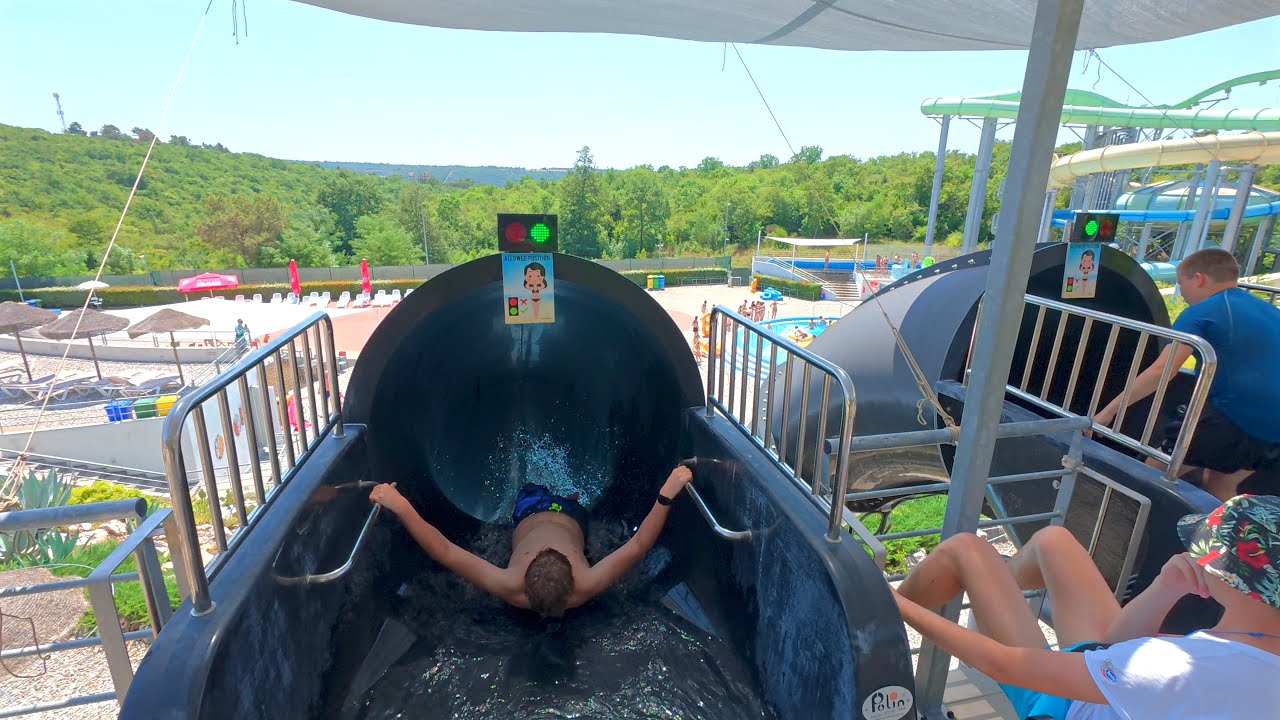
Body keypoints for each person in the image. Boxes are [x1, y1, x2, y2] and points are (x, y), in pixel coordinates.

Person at [892, 494, 1280, 719]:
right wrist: (1167, 587)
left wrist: (895, 605)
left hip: (1062, 707)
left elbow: (1003, 664)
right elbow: (1115, 645)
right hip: (1108, 681)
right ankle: (988, 594)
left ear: (1229, 572)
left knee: (966, 549)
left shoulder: (1179, 664)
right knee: (1053, 541)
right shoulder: (1252, 648)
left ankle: (872, 621)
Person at [369, 465, 694, 619]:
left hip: (528, 513)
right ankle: (566, 498)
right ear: (572, 579)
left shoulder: (507, 583)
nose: (544, 549)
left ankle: (537, 491)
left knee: (528, 489)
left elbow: (444, 551)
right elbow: (638, 546)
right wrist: (666, 494)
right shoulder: (589, 581)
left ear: (524, 581)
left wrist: (400, 505)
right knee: (570, 501)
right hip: (572, 514)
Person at [1093, 249, 1280, 500]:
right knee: (1219, 479)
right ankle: (1213, 535)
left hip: (1234, 415)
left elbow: (1163, 369)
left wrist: (1107, 413)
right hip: (1272, 427)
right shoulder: (1267, 309)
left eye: (1181, 284)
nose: (1181, 293)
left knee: (1151, 471)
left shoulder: (1203, 310)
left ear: (1199, 279)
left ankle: (1122, 525)